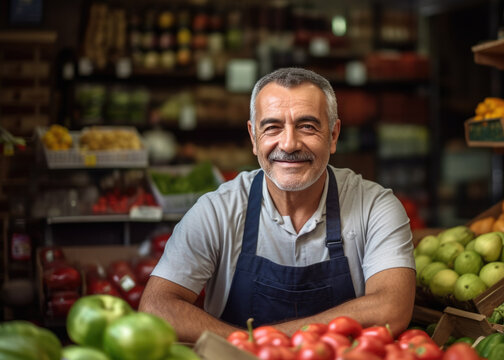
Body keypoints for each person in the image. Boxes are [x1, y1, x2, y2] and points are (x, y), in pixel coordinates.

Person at [139, 67, 416, 342]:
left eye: (307, 126)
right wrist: (252, 348)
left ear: (333, 135)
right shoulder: (217, 211)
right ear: (253, 138)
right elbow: (155, 308)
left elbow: (392, 307)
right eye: (272, 127)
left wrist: (264, 341)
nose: (289, 143)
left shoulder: (375, 207)